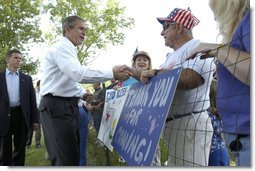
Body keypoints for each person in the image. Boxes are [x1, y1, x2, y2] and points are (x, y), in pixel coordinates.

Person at [39, 15, 132, 166]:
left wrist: (82, 94)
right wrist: (112, 73)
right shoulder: (62, 47)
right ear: (68, 29)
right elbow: (78, 73)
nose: (84, 33)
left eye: (85, 30)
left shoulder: (70, 50)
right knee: (64, 159)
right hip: (56, 107)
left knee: (72, 154)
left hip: (67, 106)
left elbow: (68, 79)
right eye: (81, 28)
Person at [140, 8, 214, 166]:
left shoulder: (197, 47)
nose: (162, 33)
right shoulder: (173, 55)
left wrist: (158, 73)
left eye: (165, 27)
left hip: (189, 125)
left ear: (178, 27)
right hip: (175, 126)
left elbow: (192, 78)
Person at [186, 0, 250, 166]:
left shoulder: (251, 20)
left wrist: (219, 49)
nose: (215, 18)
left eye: (214, 8)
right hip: (239, 134)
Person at [0, 49, 38, 166]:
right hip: (3, 116)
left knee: (20, 148)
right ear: (8, 59)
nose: (19, 60)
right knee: (4, 150)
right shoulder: (0, 77)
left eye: (20, 59)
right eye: (16, 58)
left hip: (21, 116)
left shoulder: (26, 79)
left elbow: (32, 101)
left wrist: (35, 120)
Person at [26, 80, 42, 149]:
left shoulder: (43, 92)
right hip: (32, 110)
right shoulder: (32, 91)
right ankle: (27, 144)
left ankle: (37, 144)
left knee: (38, 128)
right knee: (30, 128)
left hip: (40, 111)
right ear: (38, 85)